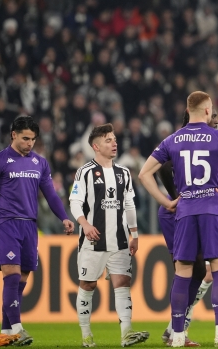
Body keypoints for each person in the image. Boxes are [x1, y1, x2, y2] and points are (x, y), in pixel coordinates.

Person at [138, 91, 218, 347]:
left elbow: (145, 174)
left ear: (188, 110)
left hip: (185, 211)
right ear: (208, 110)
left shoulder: (172, 139)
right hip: (212, 209)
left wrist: (167, 202)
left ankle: (177, 335)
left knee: (183, 273)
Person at [0, 115, 75, 345]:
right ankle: (18, 328)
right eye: (25, 138)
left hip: (30, 225)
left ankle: (6, 332)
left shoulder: (40, 163)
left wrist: (63, 217)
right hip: (6, 222)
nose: (29, 143)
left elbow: (50, 193)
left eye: (32, 139)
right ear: (13, 135)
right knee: (11, 276)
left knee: (21, 280)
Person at [69, 123, 150, 347]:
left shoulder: (123, 173)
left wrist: (134, 234)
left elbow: (129, 204)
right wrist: (84, 224)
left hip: (120, 240)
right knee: (88, 285)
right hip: (93, 240)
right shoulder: (84, 172)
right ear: (96, 146)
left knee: (123, 282)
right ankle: (86, 335)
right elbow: (75, 202)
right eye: (108, 140)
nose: (114, 143)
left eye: (114, 139)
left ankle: (127, 333)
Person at [157, 114, 206, 347]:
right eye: (211, 114)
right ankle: (177, 332)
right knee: (185, 269)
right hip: (175, 211)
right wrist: (176, 198)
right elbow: (163, 167)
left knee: (197, 270)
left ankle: (174, 328)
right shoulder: (179, 140)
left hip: (187, 210)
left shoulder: (206, 139)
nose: (213, 119)